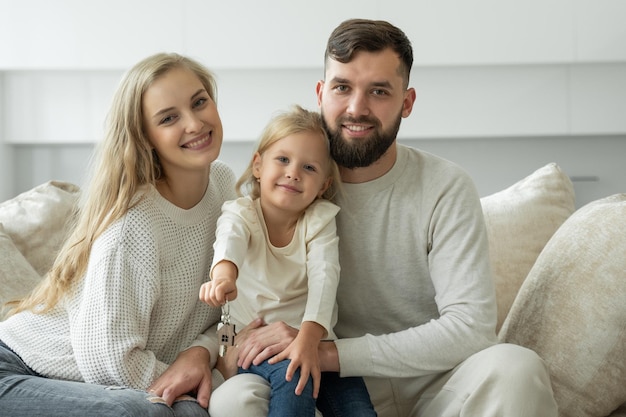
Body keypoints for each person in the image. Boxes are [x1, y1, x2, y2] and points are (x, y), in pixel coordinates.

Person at [209, 18, 559, 417]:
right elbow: (227, 302)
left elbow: (470, 328)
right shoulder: (287, 189)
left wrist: (327, 352)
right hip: (324, 392)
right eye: (342, 88)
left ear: (407, 102)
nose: (357, 108)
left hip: (437, 388)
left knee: (517, 368)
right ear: (322, 93)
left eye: (378, 91)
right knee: (233, 399)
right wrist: (208, 354)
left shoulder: (445, 186)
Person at [0, 52, 236, 417]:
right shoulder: (134, 226)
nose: (194, 123)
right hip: (18, 369)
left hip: (92, 376)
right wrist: (207, 386)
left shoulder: (223, 185)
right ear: (145, 138)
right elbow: (107, 359)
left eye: (199, 101)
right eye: (169, 118)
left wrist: (200, 353)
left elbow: (230, 310)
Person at [200, 105, 376, 417]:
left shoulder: (319, 220)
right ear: (258, 165)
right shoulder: (241, 213)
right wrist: (223, 277)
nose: (293, 172)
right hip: (258, 345)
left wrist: (309, 340)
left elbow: (325, 277)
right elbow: (230, 243)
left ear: (323, 186)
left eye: (309, 168)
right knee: (291, 377)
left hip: (313, 338)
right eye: (283, 159)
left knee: (355, 405)